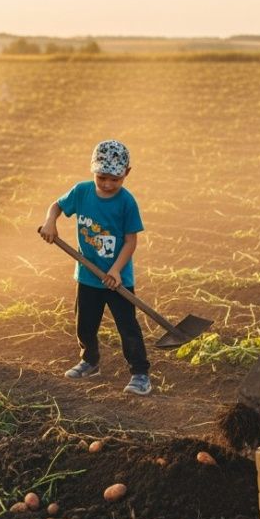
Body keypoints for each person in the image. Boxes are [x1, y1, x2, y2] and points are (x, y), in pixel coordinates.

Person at [39, 140, 152, 396]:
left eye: (115, 179)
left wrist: (115, 270)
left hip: (117, 279)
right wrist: (50, 222)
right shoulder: (82, 192)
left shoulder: (126, 202)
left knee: (127, 327)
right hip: (88, 277)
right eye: (102, 177)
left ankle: (140, 373)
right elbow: (56, 206)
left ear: (127, 173)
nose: (108, 184)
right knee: (85, 326)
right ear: (93, 170)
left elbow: (131, 241)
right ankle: (90, 362)